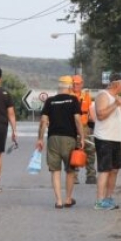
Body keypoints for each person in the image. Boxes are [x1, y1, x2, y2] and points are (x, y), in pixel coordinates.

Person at [36, 75, 85, 209]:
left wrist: (40, 139)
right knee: (70, 170)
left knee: (55, 171)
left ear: (59, 87)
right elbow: (77, 120)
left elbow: (44, 121)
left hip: (53, 138)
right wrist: (82, 137)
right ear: (70, 87)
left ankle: (58, 201)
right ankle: (68, 199)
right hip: (69, 138)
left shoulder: (50, 101)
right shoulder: (73, 100)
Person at [92, 72, 121, 210]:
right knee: (105, 169)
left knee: (114, 169)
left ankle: (108, 198)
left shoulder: (116, 97)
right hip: (104, 138)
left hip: (115, 138)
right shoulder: (103, 95)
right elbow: (100, 115)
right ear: (117, 84)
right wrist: (115, 105)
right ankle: (100, 201)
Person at [71, 75, 97, 185]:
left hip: (85, 127)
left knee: (90, 151)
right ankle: (74, 176)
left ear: (82, 84)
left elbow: (91, 112)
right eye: (73, 83)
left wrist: (96, 124)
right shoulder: (68, 96)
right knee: (74, 151)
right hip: (72, 127)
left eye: (77, 83)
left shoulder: (86, 96)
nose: (75, 85)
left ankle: (91, 175)